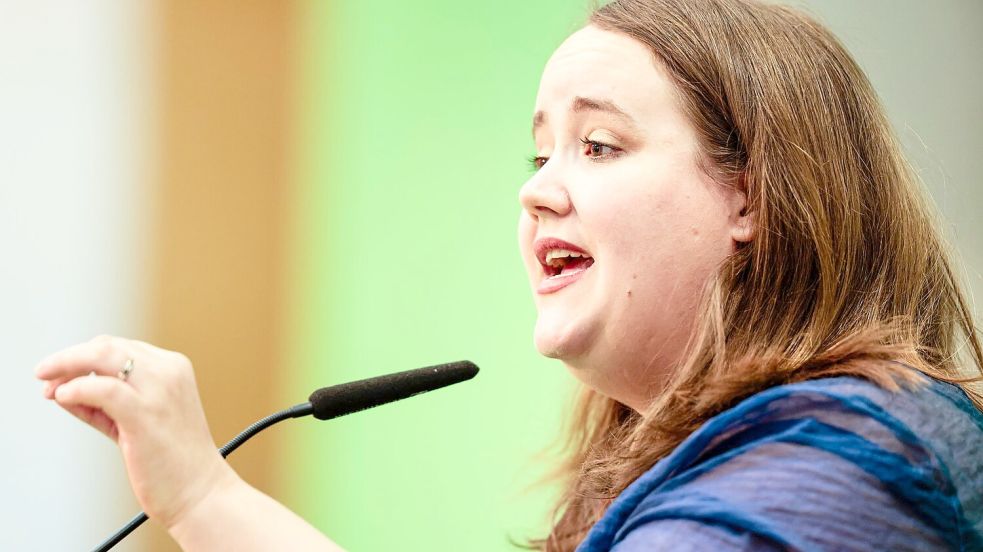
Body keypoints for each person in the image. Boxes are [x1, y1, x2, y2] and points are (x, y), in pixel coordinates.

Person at [34, 0, 983, 550]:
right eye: (538, 159)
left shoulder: (842, 462)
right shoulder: (768, 453)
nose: (538, 195)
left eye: (599, 145)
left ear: (753, 197)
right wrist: (202, 498)